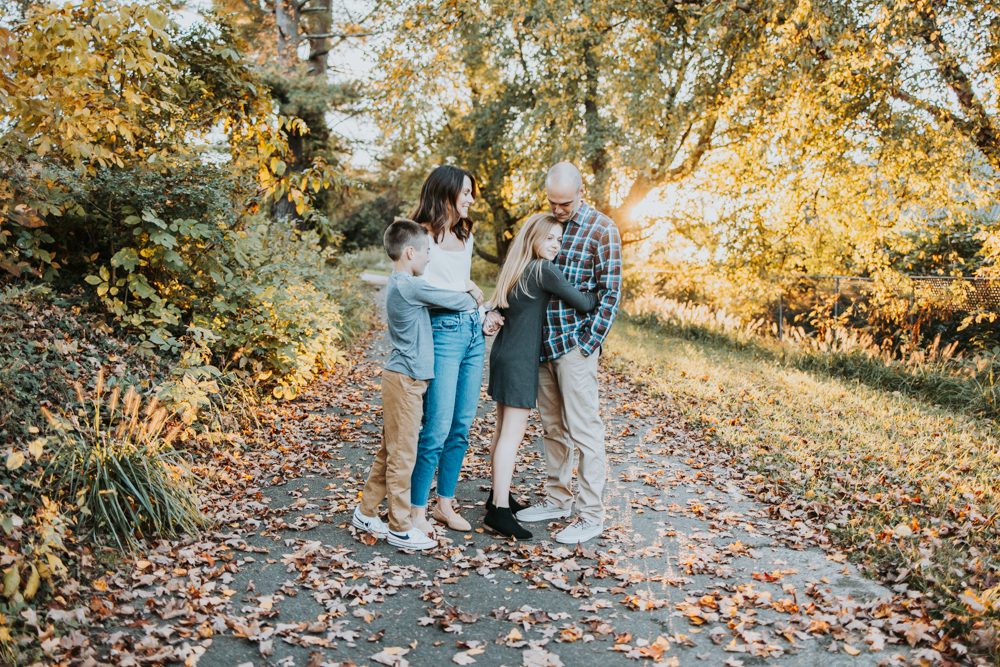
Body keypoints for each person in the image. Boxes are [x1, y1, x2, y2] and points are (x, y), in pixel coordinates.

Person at [353, 219, 479, 551]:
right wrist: (471, 289)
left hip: (405, 379)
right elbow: (459, 301)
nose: (429, 258)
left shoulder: (403, 283)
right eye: (426, 252)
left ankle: (366, 511)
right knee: (403, 456)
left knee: (390, 449)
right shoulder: (411, 286)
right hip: (405, 381)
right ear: (410, 253)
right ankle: (400, 526)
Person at [515, 162, 622, 545]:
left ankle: (591, 514)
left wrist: (588, 343)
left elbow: (610, 293)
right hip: (543, 344)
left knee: (585, 431)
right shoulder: (546, 225)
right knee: (553, 429)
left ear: (581, 192)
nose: (558, 210)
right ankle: (558, 500)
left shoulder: (602, 229)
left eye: (564, 203)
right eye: (552, 202)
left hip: (575, 346)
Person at [483, 214, 598, 540]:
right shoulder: (543, 270)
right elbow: (583, 302)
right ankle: (500, 512)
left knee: (501, 431)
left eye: (559, 241)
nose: (555, 246)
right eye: (549, 238)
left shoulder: (517, 268)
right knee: (511, 436)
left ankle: (496, 498)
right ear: (533, 236)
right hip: (519, 361)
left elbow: (500, 309)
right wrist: (598, 291)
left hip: (503, 355)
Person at [408, 165, 487, 534]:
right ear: (446, 193)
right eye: (466, 192)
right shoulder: (419, 236)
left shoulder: (465, 233)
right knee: (436, 427)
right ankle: (416, 511)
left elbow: (453, 279)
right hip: (443, 333)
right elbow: (417, 290)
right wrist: (462, 294)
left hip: (473, 333)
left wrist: (470, 287)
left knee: (461, 425)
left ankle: (445, 504)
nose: (471, 198)